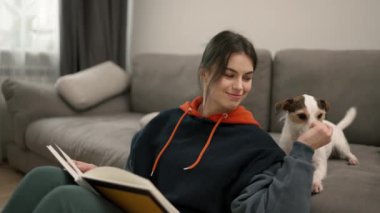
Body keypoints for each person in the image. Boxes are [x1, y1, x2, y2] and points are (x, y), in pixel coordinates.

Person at [3, 30, 332, 213]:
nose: (239, 86)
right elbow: (139, 178)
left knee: (67, 201)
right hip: (136, 207)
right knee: (45, 176)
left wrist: (302, 152)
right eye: (229, 74)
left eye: (247, 77)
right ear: (205, 73)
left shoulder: (256, 145)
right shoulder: (166, 121)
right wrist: (102, 176)